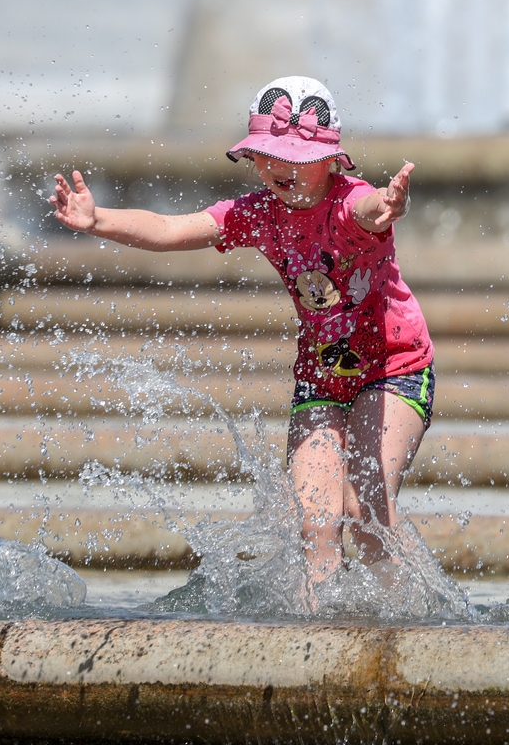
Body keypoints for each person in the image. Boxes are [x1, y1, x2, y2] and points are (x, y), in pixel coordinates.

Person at [49, 76, 433, 590]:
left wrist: (387, 207)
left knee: (364, 509)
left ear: (332, 160)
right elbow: (169, 230)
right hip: (322, 375)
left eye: (297, 156)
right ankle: (318, 641)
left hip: (395, 367)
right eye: (268, 154)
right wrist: (99, 221)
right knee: (315, 526)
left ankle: (410, 625)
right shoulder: (259, 214)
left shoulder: (350, 203)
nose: (280, 167)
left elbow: (369, 210)